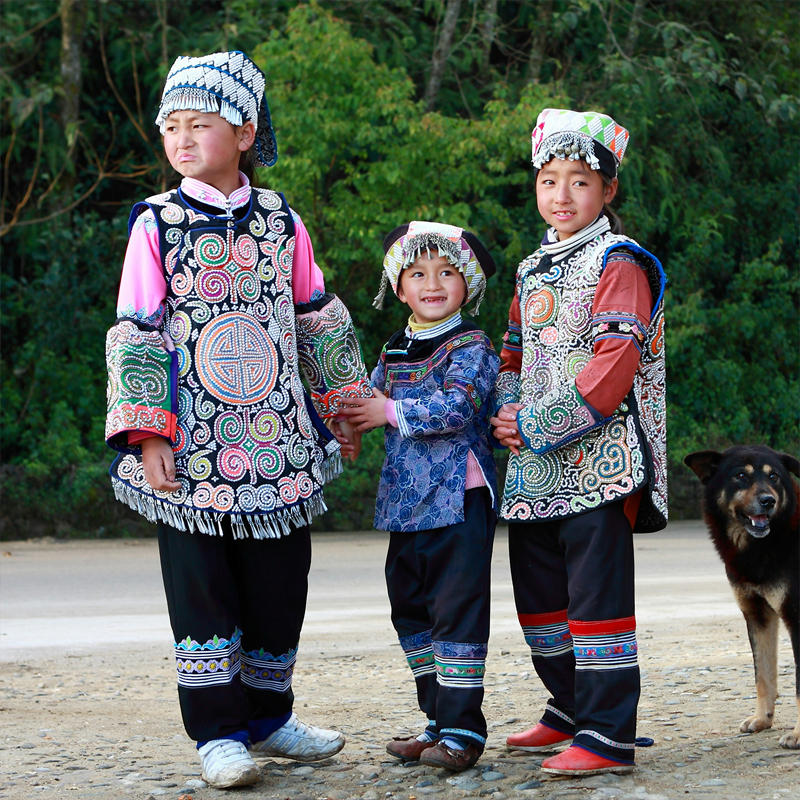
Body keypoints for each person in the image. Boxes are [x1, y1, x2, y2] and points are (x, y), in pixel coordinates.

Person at [104, 51, 372, 790]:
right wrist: (148, 432)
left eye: (200, 124)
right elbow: (137, 328)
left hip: (279, 443)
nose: (182, 139)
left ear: (246, 132)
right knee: (203, 590)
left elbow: (316, 316)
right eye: (171, 126)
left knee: (280, 585)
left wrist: (345, 406)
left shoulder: (283, 221)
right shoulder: (157, 224)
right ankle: (219, 734)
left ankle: (269, 717)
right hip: (192, 451)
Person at [489, 108, 667, 777]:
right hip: (534, 470)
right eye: (549, 180)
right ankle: (567, 709)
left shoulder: (619, 262)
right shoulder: (531, 267)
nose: (561, 195)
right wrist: (507, 411)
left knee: (597, 602)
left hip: (600, 462)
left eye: (580, 181)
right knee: (541, 601)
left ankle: (607, 735)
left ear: (608, 189)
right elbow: (513, 351)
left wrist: (536, 425)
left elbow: (614, 361)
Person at [338, 222, 500, 772]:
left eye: (447, 272)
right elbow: (368, 396)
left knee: (456, 611)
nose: (433, 284)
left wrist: (385, 411)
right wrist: (350, 424)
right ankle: (437, 721)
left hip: (458, 496)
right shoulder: (395, 347)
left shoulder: (472, 345)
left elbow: (457, 408)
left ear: (468, 285)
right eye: (418, 274)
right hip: (406, 502)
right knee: (410, 609)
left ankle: (463, 731)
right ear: (399, 288)